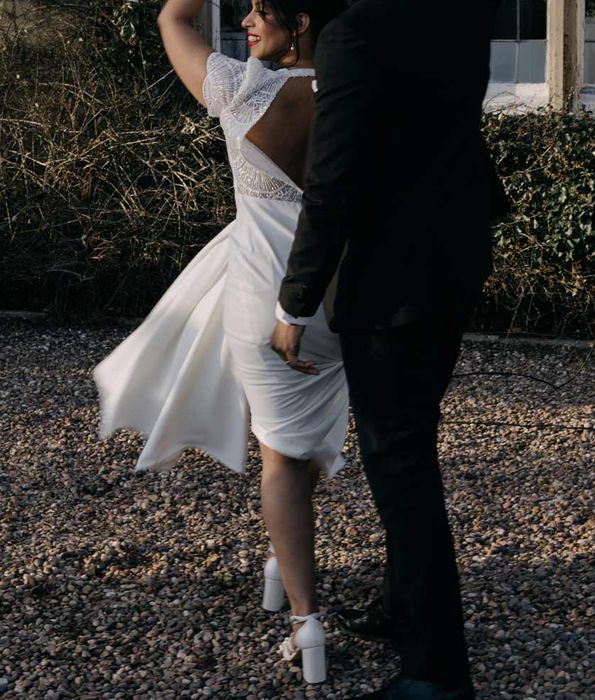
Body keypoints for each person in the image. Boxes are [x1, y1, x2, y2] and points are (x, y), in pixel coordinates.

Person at [94, 0, 348, 684]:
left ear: (301, 23)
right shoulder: (359, 92)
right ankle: (286, 557)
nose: (245, 22)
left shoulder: (241, 88)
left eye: (261, 13)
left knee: (280, 459)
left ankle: (306, 621)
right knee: (309, 446)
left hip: (262, 304)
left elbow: (171, 19)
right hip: (340, 301)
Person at [269, 0, 502, 697]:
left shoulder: (353, 35)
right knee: (410, 446)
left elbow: (333, 180)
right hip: (456, 258)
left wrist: (294, 299)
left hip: (394, 283)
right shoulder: (460, 16)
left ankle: (434, 672)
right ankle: (405, 606)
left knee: (401, 470)